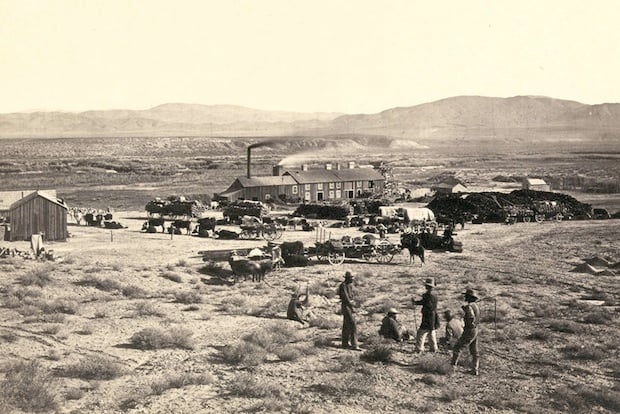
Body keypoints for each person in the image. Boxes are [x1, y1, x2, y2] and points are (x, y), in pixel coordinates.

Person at [451, 288, 481, 375]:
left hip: (469, 330)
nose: (465, 298)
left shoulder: (469, 307)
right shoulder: (476, 306)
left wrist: (466, 311)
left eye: (466, 296)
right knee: (474, 350)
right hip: (476, 329)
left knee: (457, 347)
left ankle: (452, 368)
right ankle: (475, 369)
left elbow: (471, 317)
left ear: (469, 297)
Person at [412, 277, 439, 352]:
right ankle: (434, 348)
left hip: (427, 316)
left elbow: (424, 303)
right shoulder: (435, 295)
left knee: (421, 333)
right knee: (431, 332)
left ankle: (419, 348)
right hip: (433, 315)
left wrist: (415, 302)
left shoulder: (427, 295)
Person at [338, 271, 361, 351]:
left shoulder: (349, 285)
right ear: (348, 278)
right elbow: (346, 298)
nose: (353, 279)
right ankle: (354, 344)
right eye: (351, 278)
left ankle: (344, 344)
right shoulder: (343, 285)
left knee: (346, 325)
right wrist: (352, 306)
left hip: (349, 306)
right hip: (346, 307)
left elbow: (351, 297)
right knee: (353, 324)